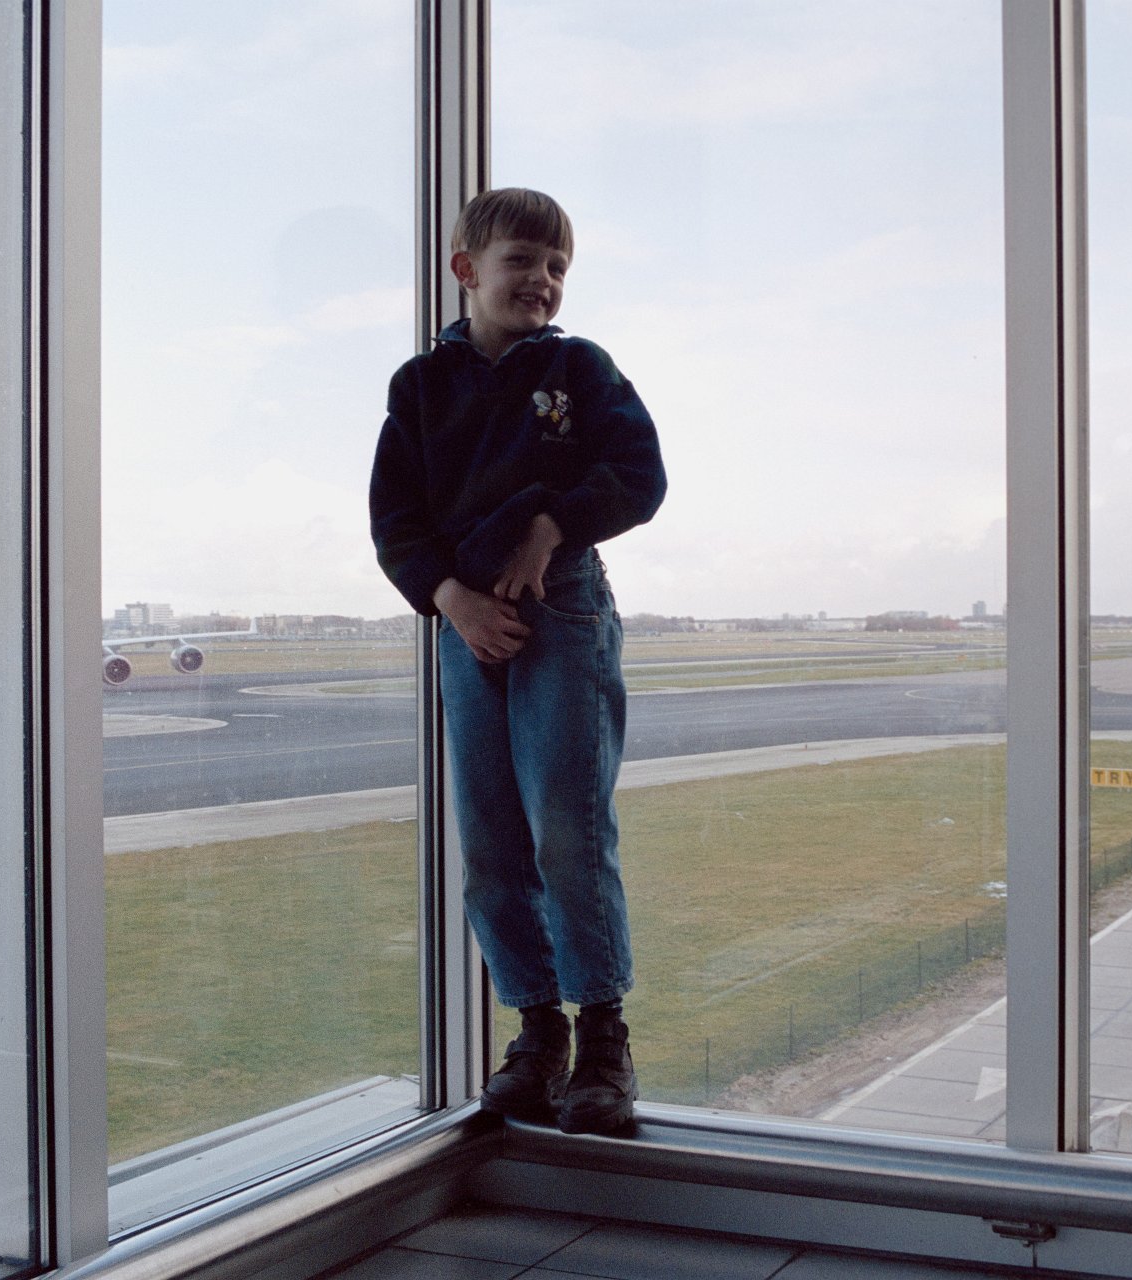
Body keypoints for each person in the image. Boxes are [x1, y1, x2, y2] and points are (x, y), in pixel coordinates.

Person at [369, 187, 666, 1135]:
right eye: (522, 262)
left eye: (557, 267)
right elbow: (394, 518)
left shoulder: (580, 369)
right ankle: (538, 1032)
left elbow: (639, 475)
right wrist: (448, 599)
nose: (542, 280)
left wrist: (551, 526)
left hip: (560, 606)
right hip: (466, 622)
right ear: (466, 270)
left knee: (567, 828)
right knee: (491, 840)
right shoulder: (420, 387)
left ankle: (603, 1034)